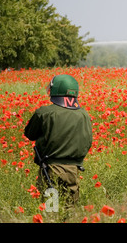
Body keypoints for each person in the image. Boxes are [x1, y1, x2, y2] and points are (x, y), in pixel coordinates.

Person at [24, 74, 93, 209]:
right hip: (73, 171)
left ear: (55, 91)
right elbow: (87, 142)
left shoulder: (44, 113)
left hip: (50, 170)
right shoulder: (84, 115)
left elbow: (29, 134)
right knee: (69, 210)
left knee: (51, 211)